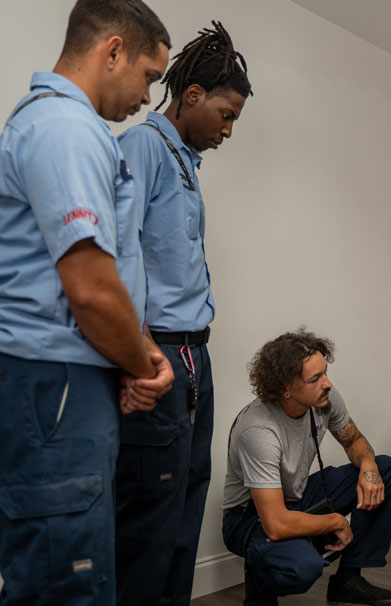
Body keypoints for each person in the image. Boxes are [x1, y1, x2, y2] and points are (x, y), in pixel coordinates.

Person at [0, 1, 171, 603]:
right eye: (150, 77)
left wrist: (140, 349)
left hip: (63, 384)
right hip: (55, 387)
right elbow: (92, 291)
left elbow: (106, 278)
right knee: (63, 580)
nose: (149, 97)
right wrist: (142, 364)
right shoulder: (66, 129)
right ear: (113, 51)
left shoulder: (67, 128)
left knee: (72, 566)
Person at [114, 21, 252, 606]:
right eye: (225, 114)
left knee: (188, 497)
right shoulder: (143, 148)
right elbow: (120, 255)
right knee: (151, 511)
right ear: (192, 94)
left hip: (196, 352)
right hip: (161, 353)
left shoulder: (186, 164)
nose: (226, 130)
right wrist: (138, 355)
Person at [222, 329, 391, 606]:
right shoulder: (258, 430)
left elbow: (354, 439)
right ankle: (260, 591)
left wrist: (369, 467)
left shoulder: (324, 399)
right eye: (315, 378)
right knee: (303, 567)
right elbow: (275, 523)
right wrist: (335, 521)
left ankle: (348, 580)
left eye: (325, 372)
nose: (328, 383)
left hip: (298, 495)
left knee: (385, 469)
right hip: (251, 518)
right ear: (285, 388)